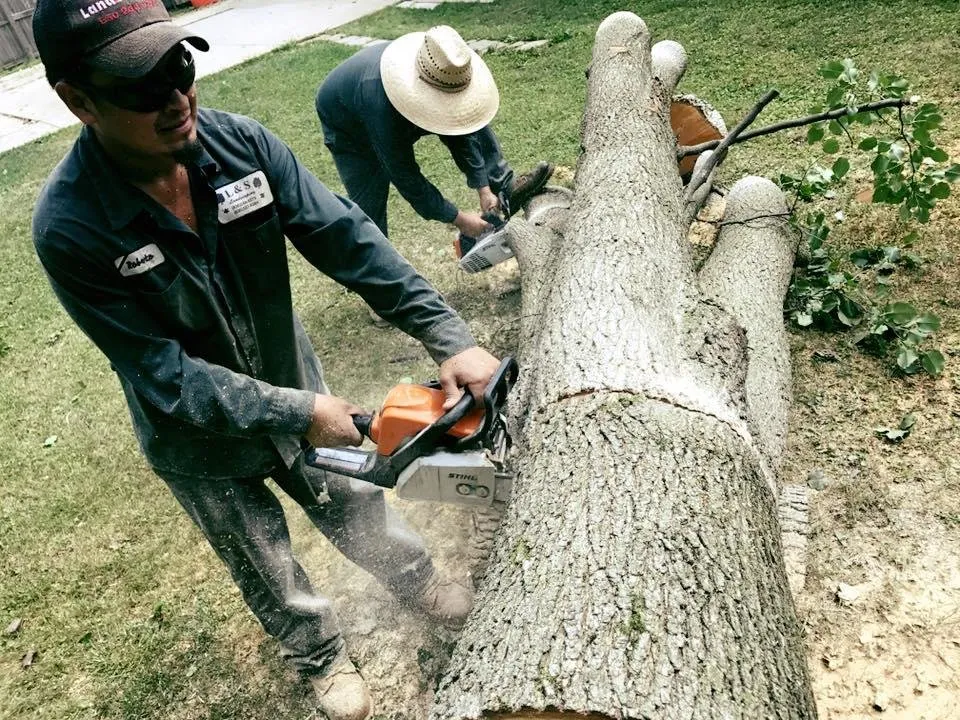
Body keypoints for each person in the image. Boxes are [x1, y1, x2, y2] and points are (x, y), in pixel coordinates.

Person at [30, 2, 501, 718]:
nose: (176, 100)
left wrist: (450, 337)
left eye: (180, 68)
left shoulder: (242, 148)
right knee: (263, 558)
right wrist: (298, 412)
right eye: (142, 88)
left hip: (292, 379)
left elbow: (349, 241)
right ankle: (320, 656)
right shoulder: (71, 226)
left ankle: (413, 579)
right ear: (77, 100)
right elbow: (164, 375)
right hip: (199, 438)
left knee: (354, 501)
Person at [316, 25, 553, 262]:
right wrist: (458, 219)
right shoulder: (380, 107)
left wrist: (483, 188)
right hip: (348, 124)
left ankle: (504, 186)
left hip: (382, 97)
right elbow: (405, 176)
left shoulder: (442, 67)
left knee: (467, 119)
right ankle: (373, 265)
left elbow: (461, 135)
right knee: (369, 205)